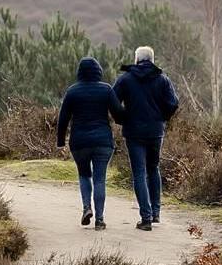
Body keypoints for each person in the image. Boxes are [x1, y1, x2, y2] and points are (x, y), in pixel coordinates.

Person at [112, 45, 181, 230]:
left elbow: (112, 102)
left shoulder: (125, 79)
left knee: (139, 173)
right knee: (153, 169)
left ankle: (146, 217)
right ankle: (156, 213)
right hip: (155, 131)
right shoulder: (162, 79)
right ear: (152, 59)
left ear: (136, 59)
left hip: (134, 132)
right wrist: (162, 118)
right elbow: (173, 104)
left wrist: (122, 118)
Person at [55, 57, 127, 230]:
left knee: (84, 175)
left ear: (80, 72)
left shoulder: (72, 91)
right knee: (99, 179)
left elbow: (63, 118)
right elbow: (118, 115)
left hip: (79, 142)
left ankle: (87, 207)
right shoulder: (106, 89)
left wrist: (60, 141)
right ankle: (100, 219)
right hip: (103, 141)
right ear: (98, 71)